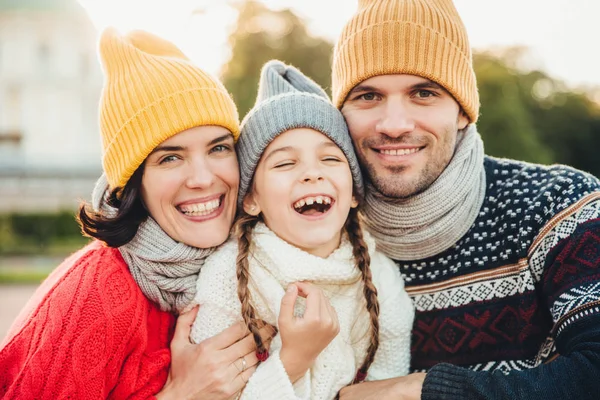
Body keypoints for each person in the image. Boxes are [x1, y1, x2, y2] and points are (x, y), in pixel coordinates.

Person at [331, 0, 600, 399]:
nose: (394, 124)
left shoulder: (561, 207)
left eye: (423, 93)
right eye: (368, 96)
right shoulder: (314, 236)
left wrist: (422, 391)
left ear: (462, 111)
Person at [0, 28, 273, 399]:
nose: (203, 178)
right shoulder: (95, 296)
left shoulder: (249, 267)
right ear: (133, 182)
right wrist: (181, 395)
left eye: (219, 148)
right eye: (170, 157)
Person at [189, 60, 415, 399]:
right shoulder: (228, 276)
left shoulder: (379, 275)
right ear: (251, 199)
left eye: (330, 159)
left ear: (353, 192)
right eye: (285, 163)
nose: (312, 173)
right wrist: (295, 358)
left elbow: (388, 383)